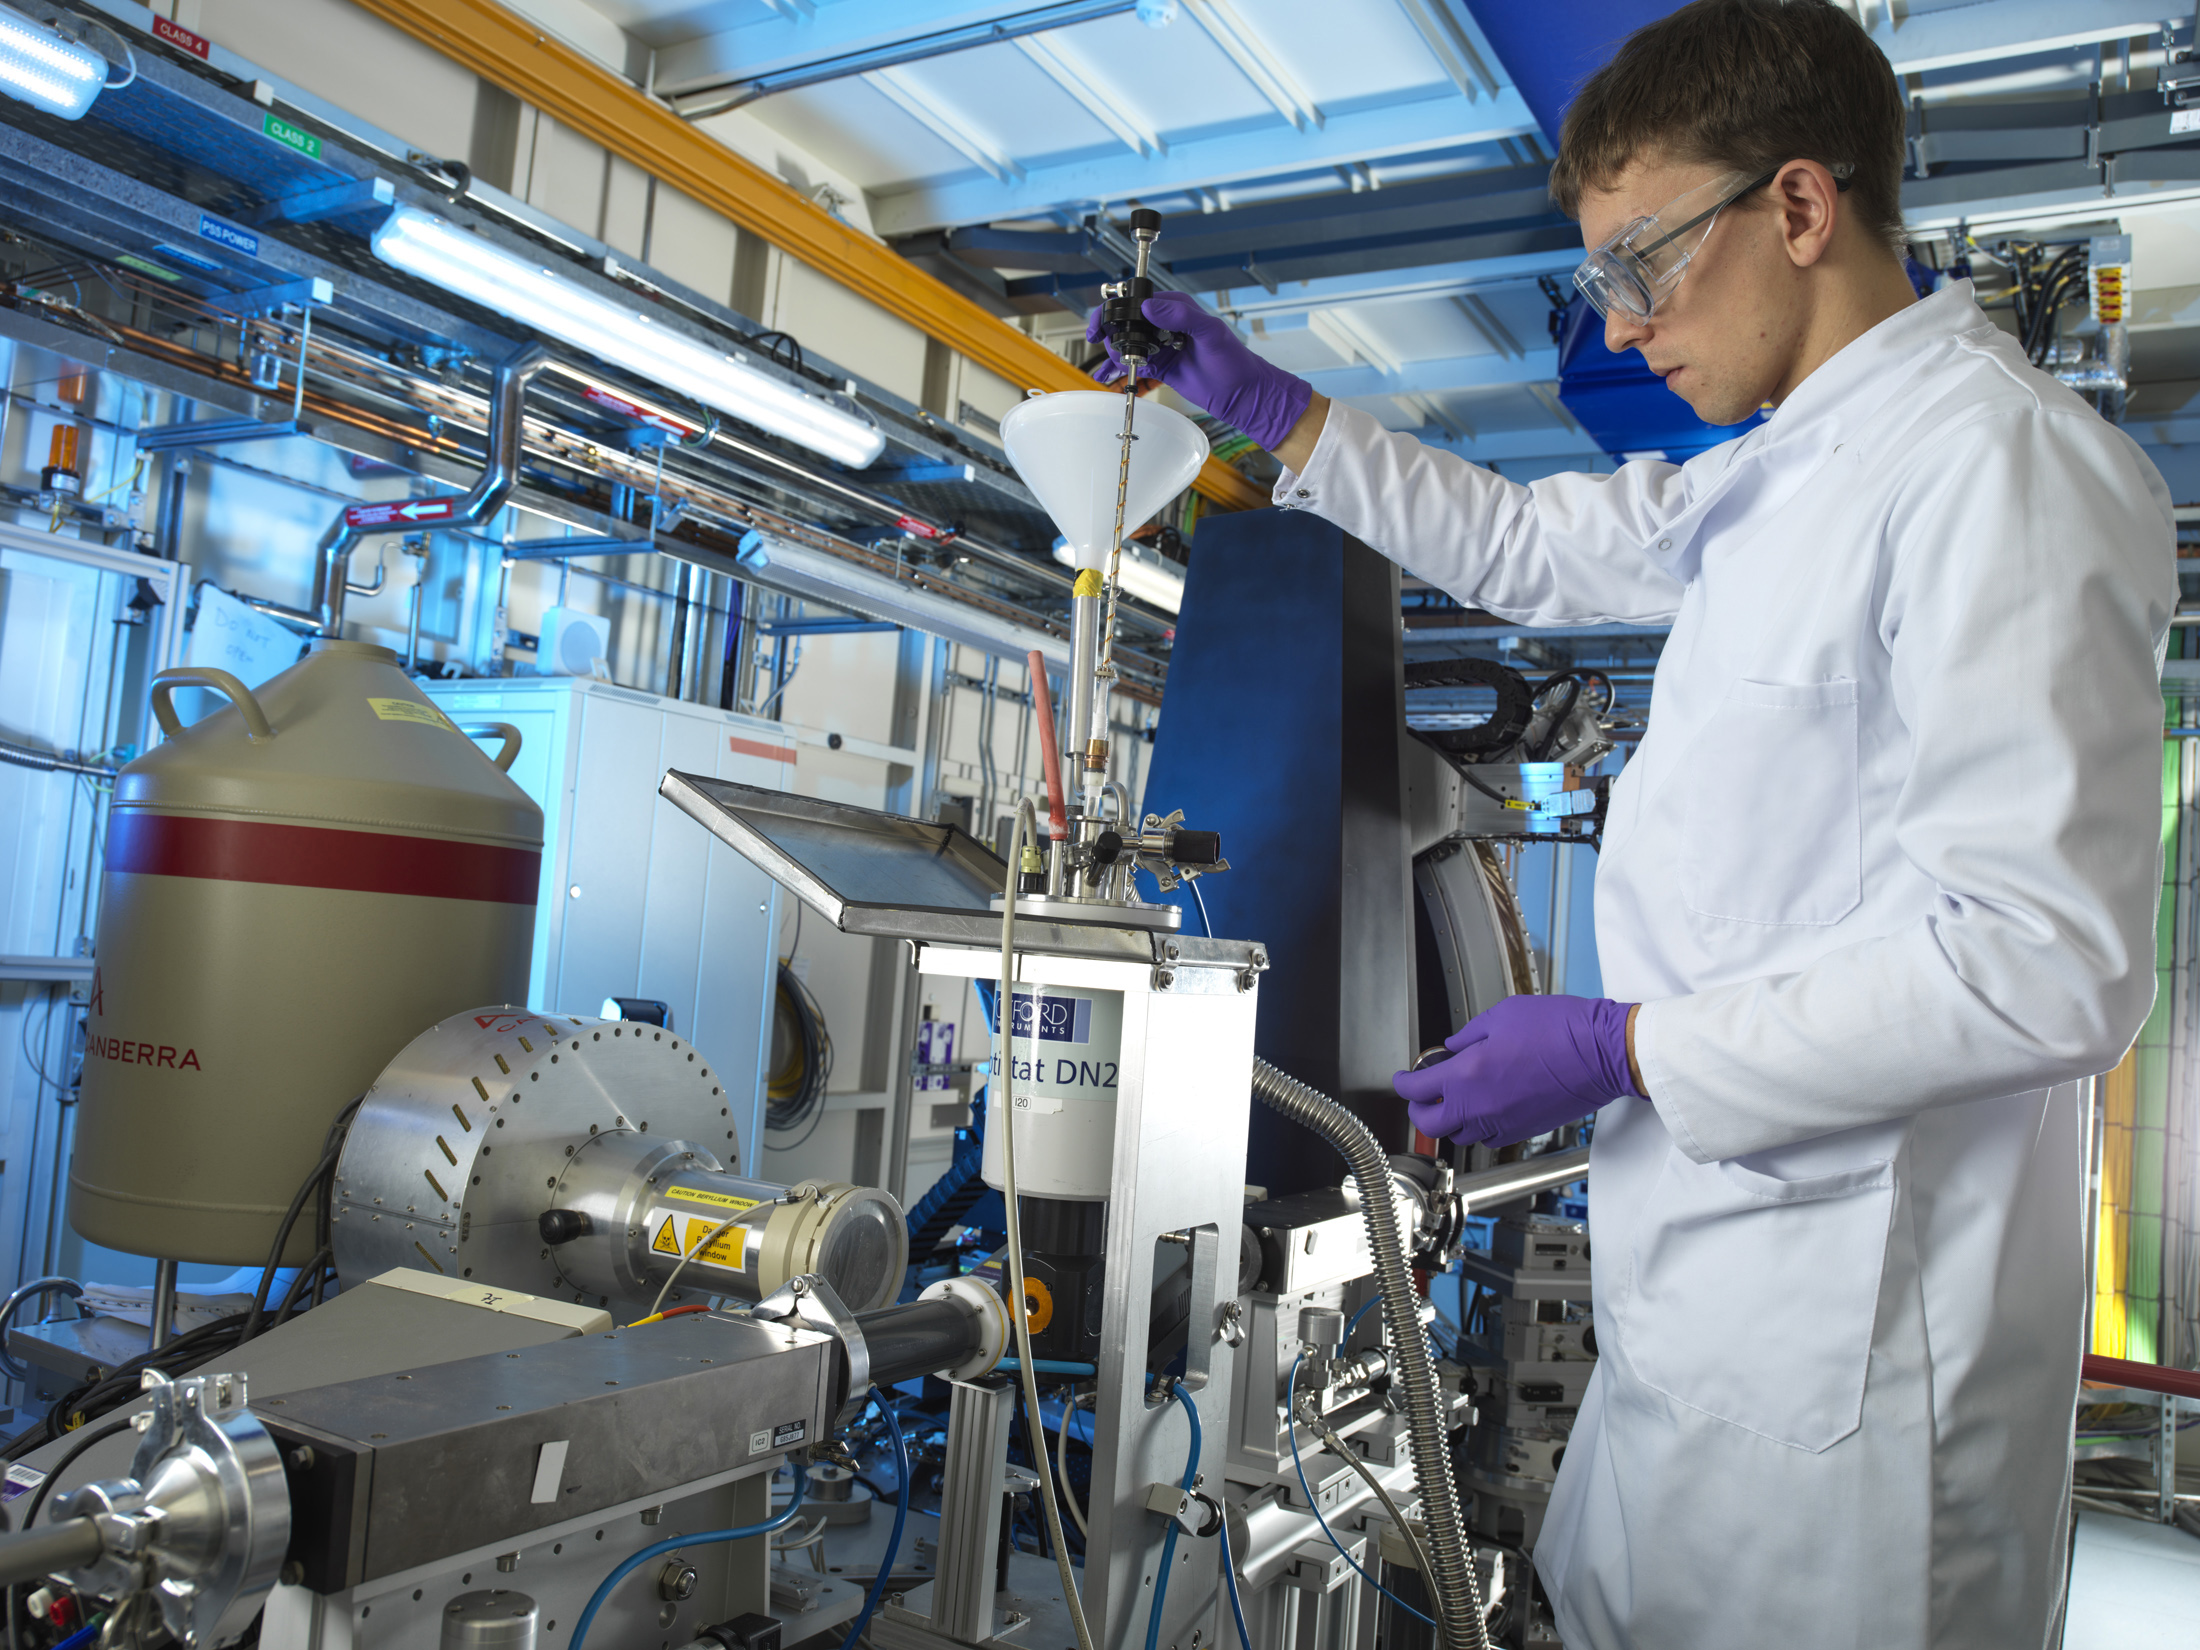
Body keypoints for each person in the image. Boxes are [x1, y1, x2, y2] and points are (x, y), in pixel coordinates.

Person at [1088, 1, 2173, 1645]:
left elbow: (2047, 965)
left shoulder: (1998, 468)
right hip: (1702, 1327)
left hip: (1866, 1408)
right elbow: (1525, 546)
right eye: (1600, 277)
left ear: (1801, 208)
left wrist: (1625, 1045)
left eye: (1644, 262)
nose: (1620, 327)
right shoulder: (1780, 472)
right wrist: (1273, 412)